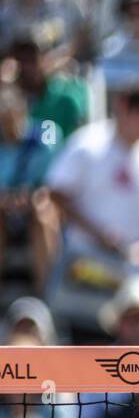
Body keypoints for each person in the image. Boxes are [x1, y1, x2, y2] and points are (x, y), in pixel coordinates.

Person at [43, 85, 139, 340]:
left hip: (135, 272)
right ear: (124, 107)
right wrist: (98, 233)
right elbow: (56, 193)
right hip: (86, 265)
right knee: (84, 350)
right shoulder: (88, 143)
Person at [0, 83, 61, 293]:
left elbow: (54, 182)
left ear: (23, 112)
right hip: (5, 210)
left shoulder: (47, 132)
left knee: (43, 213)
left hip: (39, 203)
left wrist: (34, 197)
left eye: (12, 117)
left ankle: (45, 291)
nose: (8, 125)